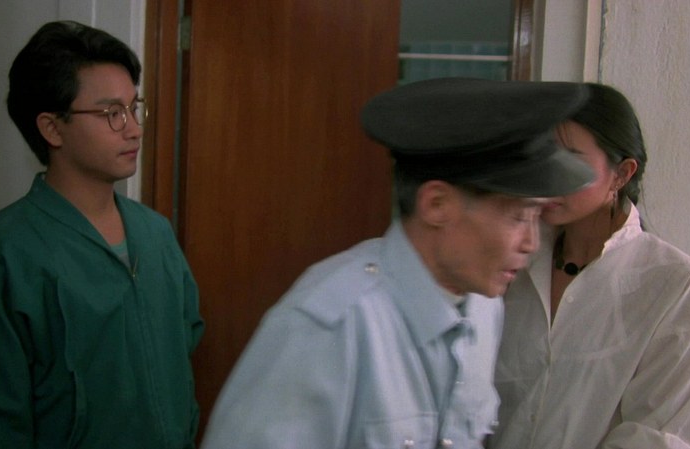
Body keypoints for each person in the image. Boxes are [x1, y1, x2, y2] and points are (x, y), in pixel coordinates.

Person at [199, 78, 596, 449]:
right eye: (518, 216)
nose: (531, 243)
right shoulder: (331, 324)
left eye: (537, 217)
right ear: (436, 205)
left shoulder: (483, 306)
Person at [0, 21, 204, 448]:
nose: (134, 128)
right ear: (52, 128)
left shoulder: (155, 234)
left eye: (134, 107)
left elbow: (180, 360)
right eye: (111, 113)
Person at [489, 83, 690, 449]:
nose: (548, 175)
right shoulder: (508, 260)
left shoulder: (675, 286)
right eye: (541, 155)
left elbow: (659, 435)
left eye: (569, 158)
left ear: (621, 174)